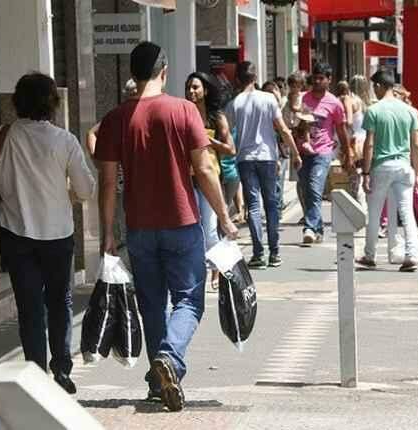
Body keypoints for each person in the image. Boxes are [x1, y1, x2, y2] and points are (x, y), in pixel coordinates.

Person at [95, 42, 238, 411]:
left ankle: (159, 383)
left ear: (132, 74)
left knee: (152, 304)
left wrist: (108, 232)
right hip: (182, 222)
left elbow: (108, 182)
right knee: (189, 300)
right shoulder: (183, 110)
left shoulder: (114, 120)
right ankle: (169, 360)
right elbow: (205, 168)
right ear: (164, 71)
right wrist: (224, 217)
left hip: (139, 227)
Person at [0, 72, 96, 394]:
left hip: (16, 236)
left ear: (17, 101)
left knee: (30, 309)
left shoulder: (2, 137)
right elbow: (86, 189)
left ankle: (36, 375)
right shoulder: (64, 140)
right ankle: (62, 370)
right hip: (58, 235)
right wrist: (64, 195)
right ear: (53, 104)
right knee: (60, 303)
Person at [225, 61, 301, 269]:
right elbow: (283, 129)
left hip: (245, 159)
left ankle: (258, 253)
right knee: (272, 204)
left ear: (238, 80)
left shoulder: (235, 103)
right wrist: (295, 154)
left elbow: (226, 132)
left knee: (254, 206)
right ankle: (274, 252)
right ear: (255, 78)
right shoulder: (268, 99)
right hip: (267, 157)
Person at [356, 70, 418, 272]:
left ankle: (370, 255)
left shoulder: (374, 111)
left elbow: (369, 145)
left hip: (381, 167)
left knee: (374, 213)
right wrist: (416, 172)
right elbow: (416, 145)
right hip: (403, 166)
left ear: (378, 86)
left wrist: (366, 173)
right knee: (407, 212)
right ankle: (412, 255)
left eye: (374, 87)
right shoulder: (409, 110)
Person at [185, 72, 236, 289]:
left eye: (195, 87)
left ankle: (217, 270)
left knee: (210, 228)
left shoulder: (217, 117)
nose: (191, 91)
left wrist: (209, 140)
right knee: (193, 229)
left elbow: (231, 150)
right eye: (188, 87)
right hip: (187, 179)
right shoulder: (183, 115)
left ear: (205, 90)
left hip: (211, 178)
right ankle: (197, 274)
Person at [86, 79, 138, 265]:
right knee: (119, 224)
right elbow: (91, 133)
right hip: (118, 181)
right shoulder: (116, 117)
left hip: (137, 184)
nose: (134, 97)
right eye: (131, 94)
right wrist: (97, 159)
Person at [299, 63, 350, 245]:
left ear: (329, 80)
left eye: (322, 78)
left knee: (314, 187)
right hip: (304, 151)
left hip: (323, 151)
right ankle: (318, 228)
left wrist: (347, 154)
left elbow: (341, 130)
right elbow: (295, 124)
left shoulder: (334, 103)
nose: (318, 81)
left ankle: (310, 228)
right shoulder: (303, 99)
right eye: (316, 77)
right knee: (306, 190)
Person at [380, 86, 418, 236]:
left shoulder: (412, 112)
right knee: (385, 187)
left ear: (404, 96)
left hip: (407, 154)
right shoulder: (388, 112)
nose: (394, 97)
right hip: (391, 152)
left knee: (412, 189)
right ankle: (384, 223)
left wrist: (408, 131)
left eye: (397, 94)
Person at [282, 71, 308, 223]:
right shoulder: (291, 98)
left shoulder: (304, 96)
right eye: (292, 85)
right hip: (294, 139)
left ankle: (307, 211)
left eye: (298, 85)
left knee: (304, 177)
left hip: (300, 137)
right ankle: (305, 210)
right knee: (300, 178)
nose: (295, 88)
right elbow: (294, 109)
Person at [262, 81, 289, 218]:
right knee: (269, 183)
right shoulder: (260, 110)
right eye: (267, 93)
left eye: (274, 92)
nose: (270, 96)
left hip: (281, 149)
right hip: (265, 150)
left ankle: (276, 211)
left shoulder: (283, 108)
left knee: (278, 181)